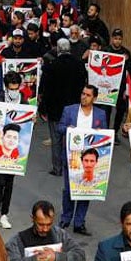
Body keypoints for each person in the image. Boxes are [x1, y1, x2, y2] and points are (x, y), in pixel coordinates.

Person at [57, 85, 107, 235]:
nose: (84, 97)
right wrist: (68, 129)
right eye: (83, 93)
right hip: (72, 157)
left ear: (95, 98)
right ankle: (66, 218)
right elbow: (59, 128)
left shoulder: (100, 114)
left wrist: (100, 133)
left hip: (89, 159)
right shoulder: (69, 110)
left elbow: (106, 137)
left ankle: (79, 222)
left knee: (86, 191)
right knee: (69, 190)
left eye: (88, 95)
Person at [40, 39, 88, 176]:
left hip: (55, 110)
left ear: (58, 50)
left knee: (56, 139)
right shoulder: (79, 65)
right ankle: (72, 166)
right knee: (72, 137)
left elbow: (45, 89)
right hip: (74, 109)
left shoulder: (51, 66)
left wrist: (43, 108)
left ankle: (57, 168)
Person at [0, 71, 26, 229]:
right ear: (6, 87)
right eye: (11, 88)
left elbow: (27, 123)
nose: (14, 90)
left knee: (9, 183)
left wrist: (33, 120)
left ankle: (5, 214)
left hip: (16, 151)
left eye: (16, 88)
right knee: (0, 182)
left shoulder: (23, 99)